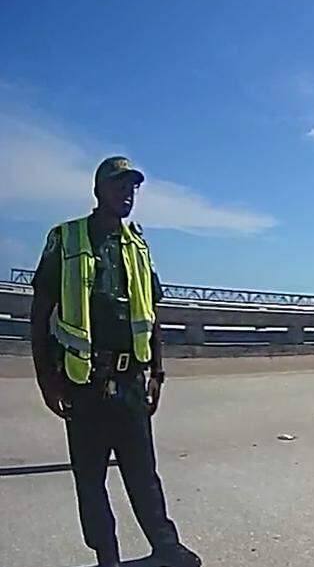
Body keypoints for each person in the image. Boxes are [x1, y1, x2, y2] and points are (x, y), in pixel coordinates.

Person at [30, 156, 202, 567]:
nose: (128, 192)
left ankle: (165, 546)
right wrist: (46, 380)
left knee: (143, 472)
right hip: (83, 380)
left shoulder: (138, 244)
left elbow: (151, 313)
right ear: (99, 190)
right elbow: (40, 314)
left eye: (133, 186)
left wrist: (157, 372)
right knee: (90, 479)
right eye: (119, 184)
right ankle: (107, 556)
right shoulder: (66, 238)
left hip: (131, 380)